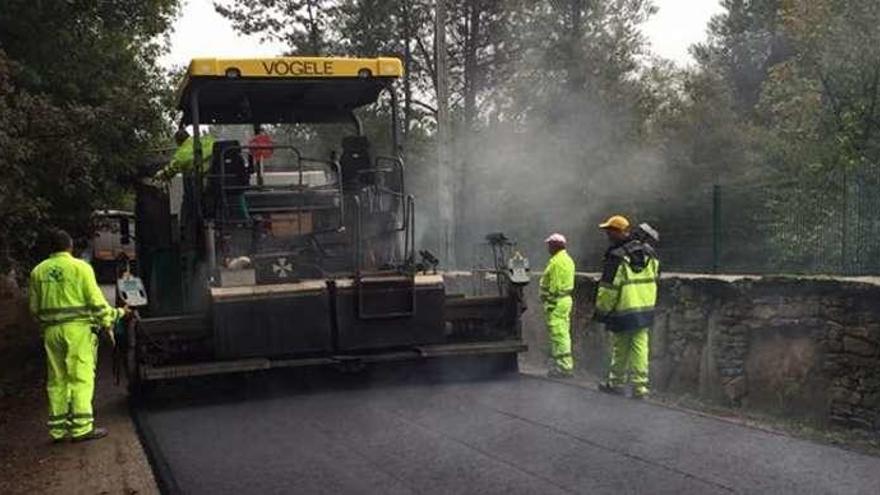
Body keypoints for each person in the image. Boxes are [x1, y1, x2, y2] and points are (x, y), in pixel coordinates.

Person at [29, 229, 129, 442]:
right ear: (70, 246)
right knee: (80, 377)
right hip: (77, 332)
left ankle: (57, 429)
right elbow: (96, 302)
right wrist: (117, 314)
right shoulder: (80, 268)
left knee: (57, 379)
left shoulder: (38, 271)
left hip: (51, 332)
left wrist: (46, 327)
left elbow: (34, 308)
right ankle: (82, 428)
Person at [594, 215, 660, 399]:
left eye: (609, 230)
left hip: (623, 309)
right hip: (645, 307)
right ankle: (640, 387)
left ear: (617, 232)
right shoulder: (650, 253)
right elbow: (655, 278)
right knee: (640, 345)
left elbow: (608, 288)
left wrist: (602, 311)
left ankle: (616, 382)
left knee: (620, 346)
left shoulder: (616, 256)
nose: (607, 234)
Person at [540, 233, 576, 378]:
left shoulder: (556, 262)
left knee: (558, 334)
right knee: (562, 333)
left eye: (550, 245)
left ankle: (564, 367)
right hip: (564, 300)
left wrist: (549, 303)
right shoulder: (567, 260)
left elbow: (555, 285)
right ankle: (561, 365)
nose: (548, 248)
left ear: (556, 245)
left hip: (557, 302)